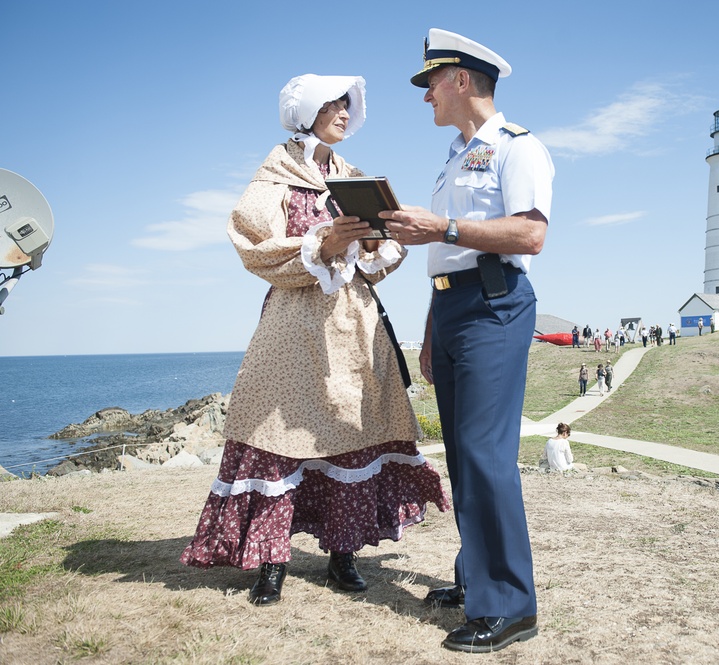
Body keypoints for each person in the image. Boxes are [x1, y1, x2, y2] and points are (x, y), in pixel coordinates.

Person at [180, 75, 449, 606]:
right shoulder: (277, 174)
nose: (346, 115)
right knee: (277, 428)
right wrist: (322, 241)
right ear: (308, 111)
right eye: (334, 106)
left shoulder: (352, 177)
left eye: (349, 107)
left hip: (353, 322)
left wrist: (373, 241)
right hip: (295, 320)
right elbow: (253, 245)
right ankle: (271, 561)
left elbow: (378, 258)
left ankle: (341, 554)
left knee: (351, 428)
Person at [383, 28, 553, 653]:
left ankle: (511, 606)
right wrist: (430, 331)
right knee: (460, 456)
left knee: (485, 454)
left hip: (494, 305)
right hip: (453, 308)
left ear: (459, 79)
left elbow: (531, 236)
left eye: (430, 82)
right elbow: (443, 258)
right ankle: (475, 578)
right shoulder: (456, 157)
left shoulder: (518, 148)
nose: (425, 94)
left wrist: (444, 224)